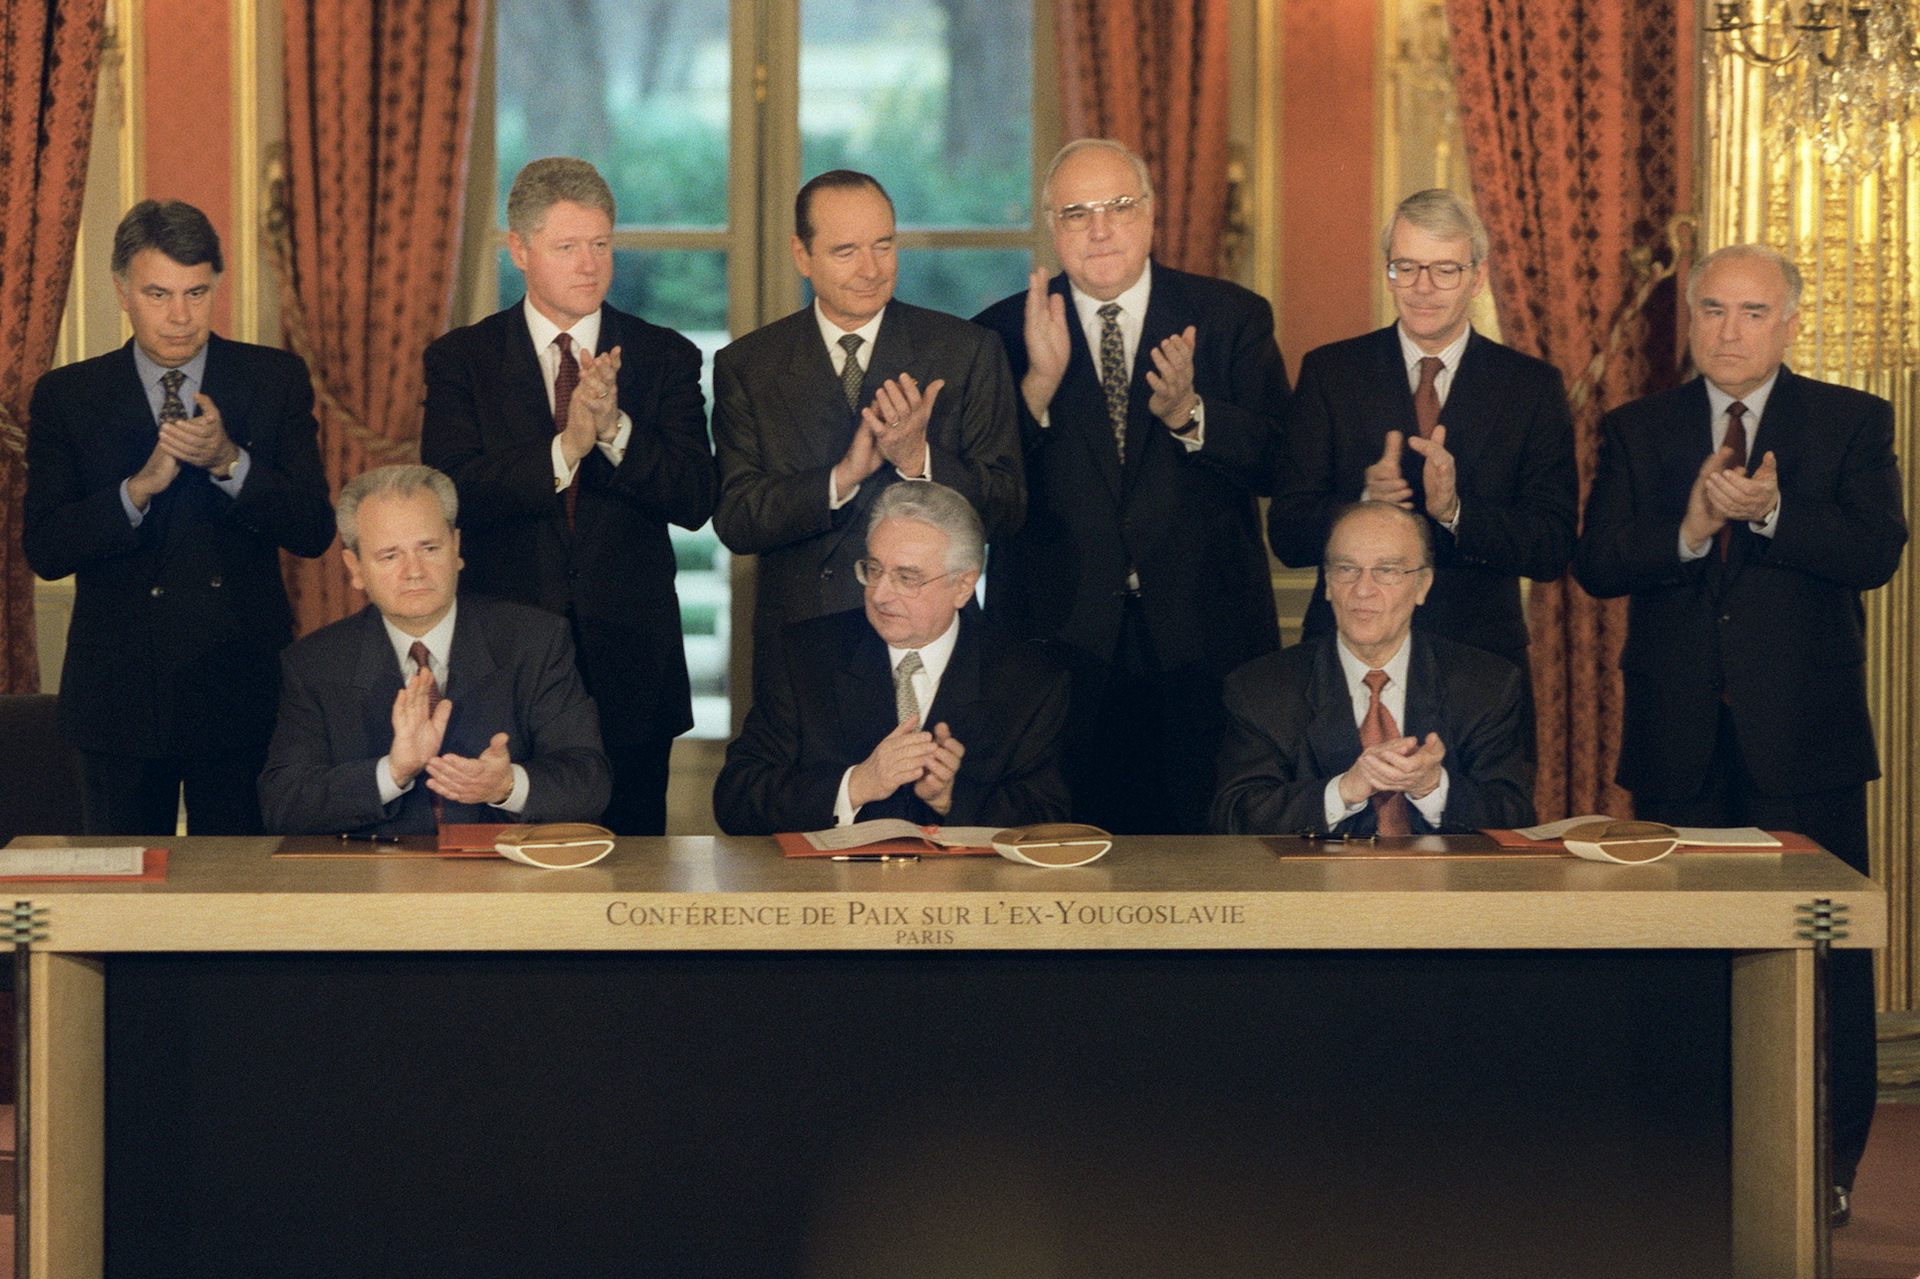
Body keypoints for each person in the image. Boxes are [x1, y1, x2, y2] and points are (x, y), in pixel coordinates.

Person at [1574, 243, 1907, 1224]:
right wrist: (1683, 530)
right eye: (1711, 309)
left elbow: (1876, 550)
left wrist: (1768, 517)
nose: (1727, 329)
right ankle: (1681, 1158)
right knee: (1679, 959)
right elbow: (1597, 562)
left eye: (1751, 312)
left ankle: (1831, 1163)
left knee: (1828, 962)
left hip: (1804, 742)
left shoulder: (1851, 421)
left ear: (1791, 322)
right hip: (1679, 741)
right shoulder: (1641, 429)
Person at [972, 138, 1291, 834]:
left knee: (1210, 873)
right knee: (1062, 874)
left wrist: (1191, 416)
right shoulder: (1000, 333)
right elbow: (980, 498)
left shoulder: (1232, 318)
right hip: (1055, 651)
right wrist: (1036, 391)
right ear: (1052, 227)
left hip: (1203, 646)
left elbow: (1281, 463)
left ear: (1150, 214)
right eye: (1077, 212)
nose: (1100, 228)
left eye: (1117, 206)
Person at [22, 199, 333, 836]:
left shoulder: (271, 379)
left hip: (239, 686)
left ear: (216, 284)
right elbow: (46, 548)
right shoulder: (68, 396)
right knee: (123, 911)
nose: (181, 316)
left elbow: (313, 528)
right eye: (159, 293)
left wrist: (230, 462)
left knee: (239, 905)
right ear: (121, 292)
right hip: (119, 697)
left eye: (197, 292)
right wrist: (135, 491)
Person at [421, 157, 712, 835]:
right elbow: (451, 493)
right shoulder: (462, 359)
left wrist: (613, 431)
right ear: (519, 250)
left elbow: (697, 496)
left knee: (633, 877)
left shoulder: (663, 355)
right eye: (567, 247)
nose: (590, 265)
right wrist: (566, 449)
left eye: (601, 245)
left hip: (632, 669)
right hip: (503, 667)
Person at [1267, 188, 1576, 704]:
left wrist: (1455, 511)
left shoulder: (1530, 387)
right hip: (1343, 666)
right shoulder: (1331, 373)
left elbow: (1552, 547)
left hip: (1478, 667)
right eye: (1406, 267)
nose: (1422, 288)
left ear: (1477, 277)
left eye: (1444, 270)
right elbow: (1288, 534)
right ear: (1388, 272)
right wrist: (1364, 509)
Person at [711, 169, 1021, 673]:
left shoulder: (964, 351)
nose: (871, 269)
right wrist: (841, 479)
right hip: (803, 647)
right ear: (801, 256)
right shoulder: (749, 366)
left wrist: (919, 459)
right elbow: (737, 521)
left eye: (884, 245)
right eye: (845, 251)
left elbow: (1007, 509)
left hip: (933, 642)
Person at [259, 466, 611, 837]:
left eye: (428, 548)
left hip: (504, 881)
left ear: (456, 548)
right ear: (356, 567)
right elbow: (283, 804)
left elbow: (589, 782)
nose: (414, 571)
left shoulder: (534, 641)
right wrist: (391, 773)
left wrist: (507, 786)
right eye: (390, 556)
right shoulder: (316, 664)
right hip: (372, 883)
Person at [713, 481, 1068, 836]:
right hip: (831, 888)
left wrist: (952, 800)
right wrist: (856, 785)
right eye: (874, 570)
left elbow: (1049, 817)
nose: (881, 595)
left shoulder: (1029, 681)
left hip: (962, 890)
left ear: (963, 585)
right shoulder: (806, 655)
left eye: (906, 577)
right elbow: (736, 798)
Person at [1213, 502, 1534, 836]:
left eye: (1387, 571)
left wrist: (1432, 787)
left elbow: (1515, 817)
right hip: (1315, 886)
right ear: (1327, 583)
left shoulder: (1486, 685)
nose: (1363, 590)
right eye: (1347, 569)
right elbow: (1234, 817)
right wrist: (1344, 790)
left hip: (1443, 885)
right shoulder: (1262, 689)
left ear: (1422, 585)